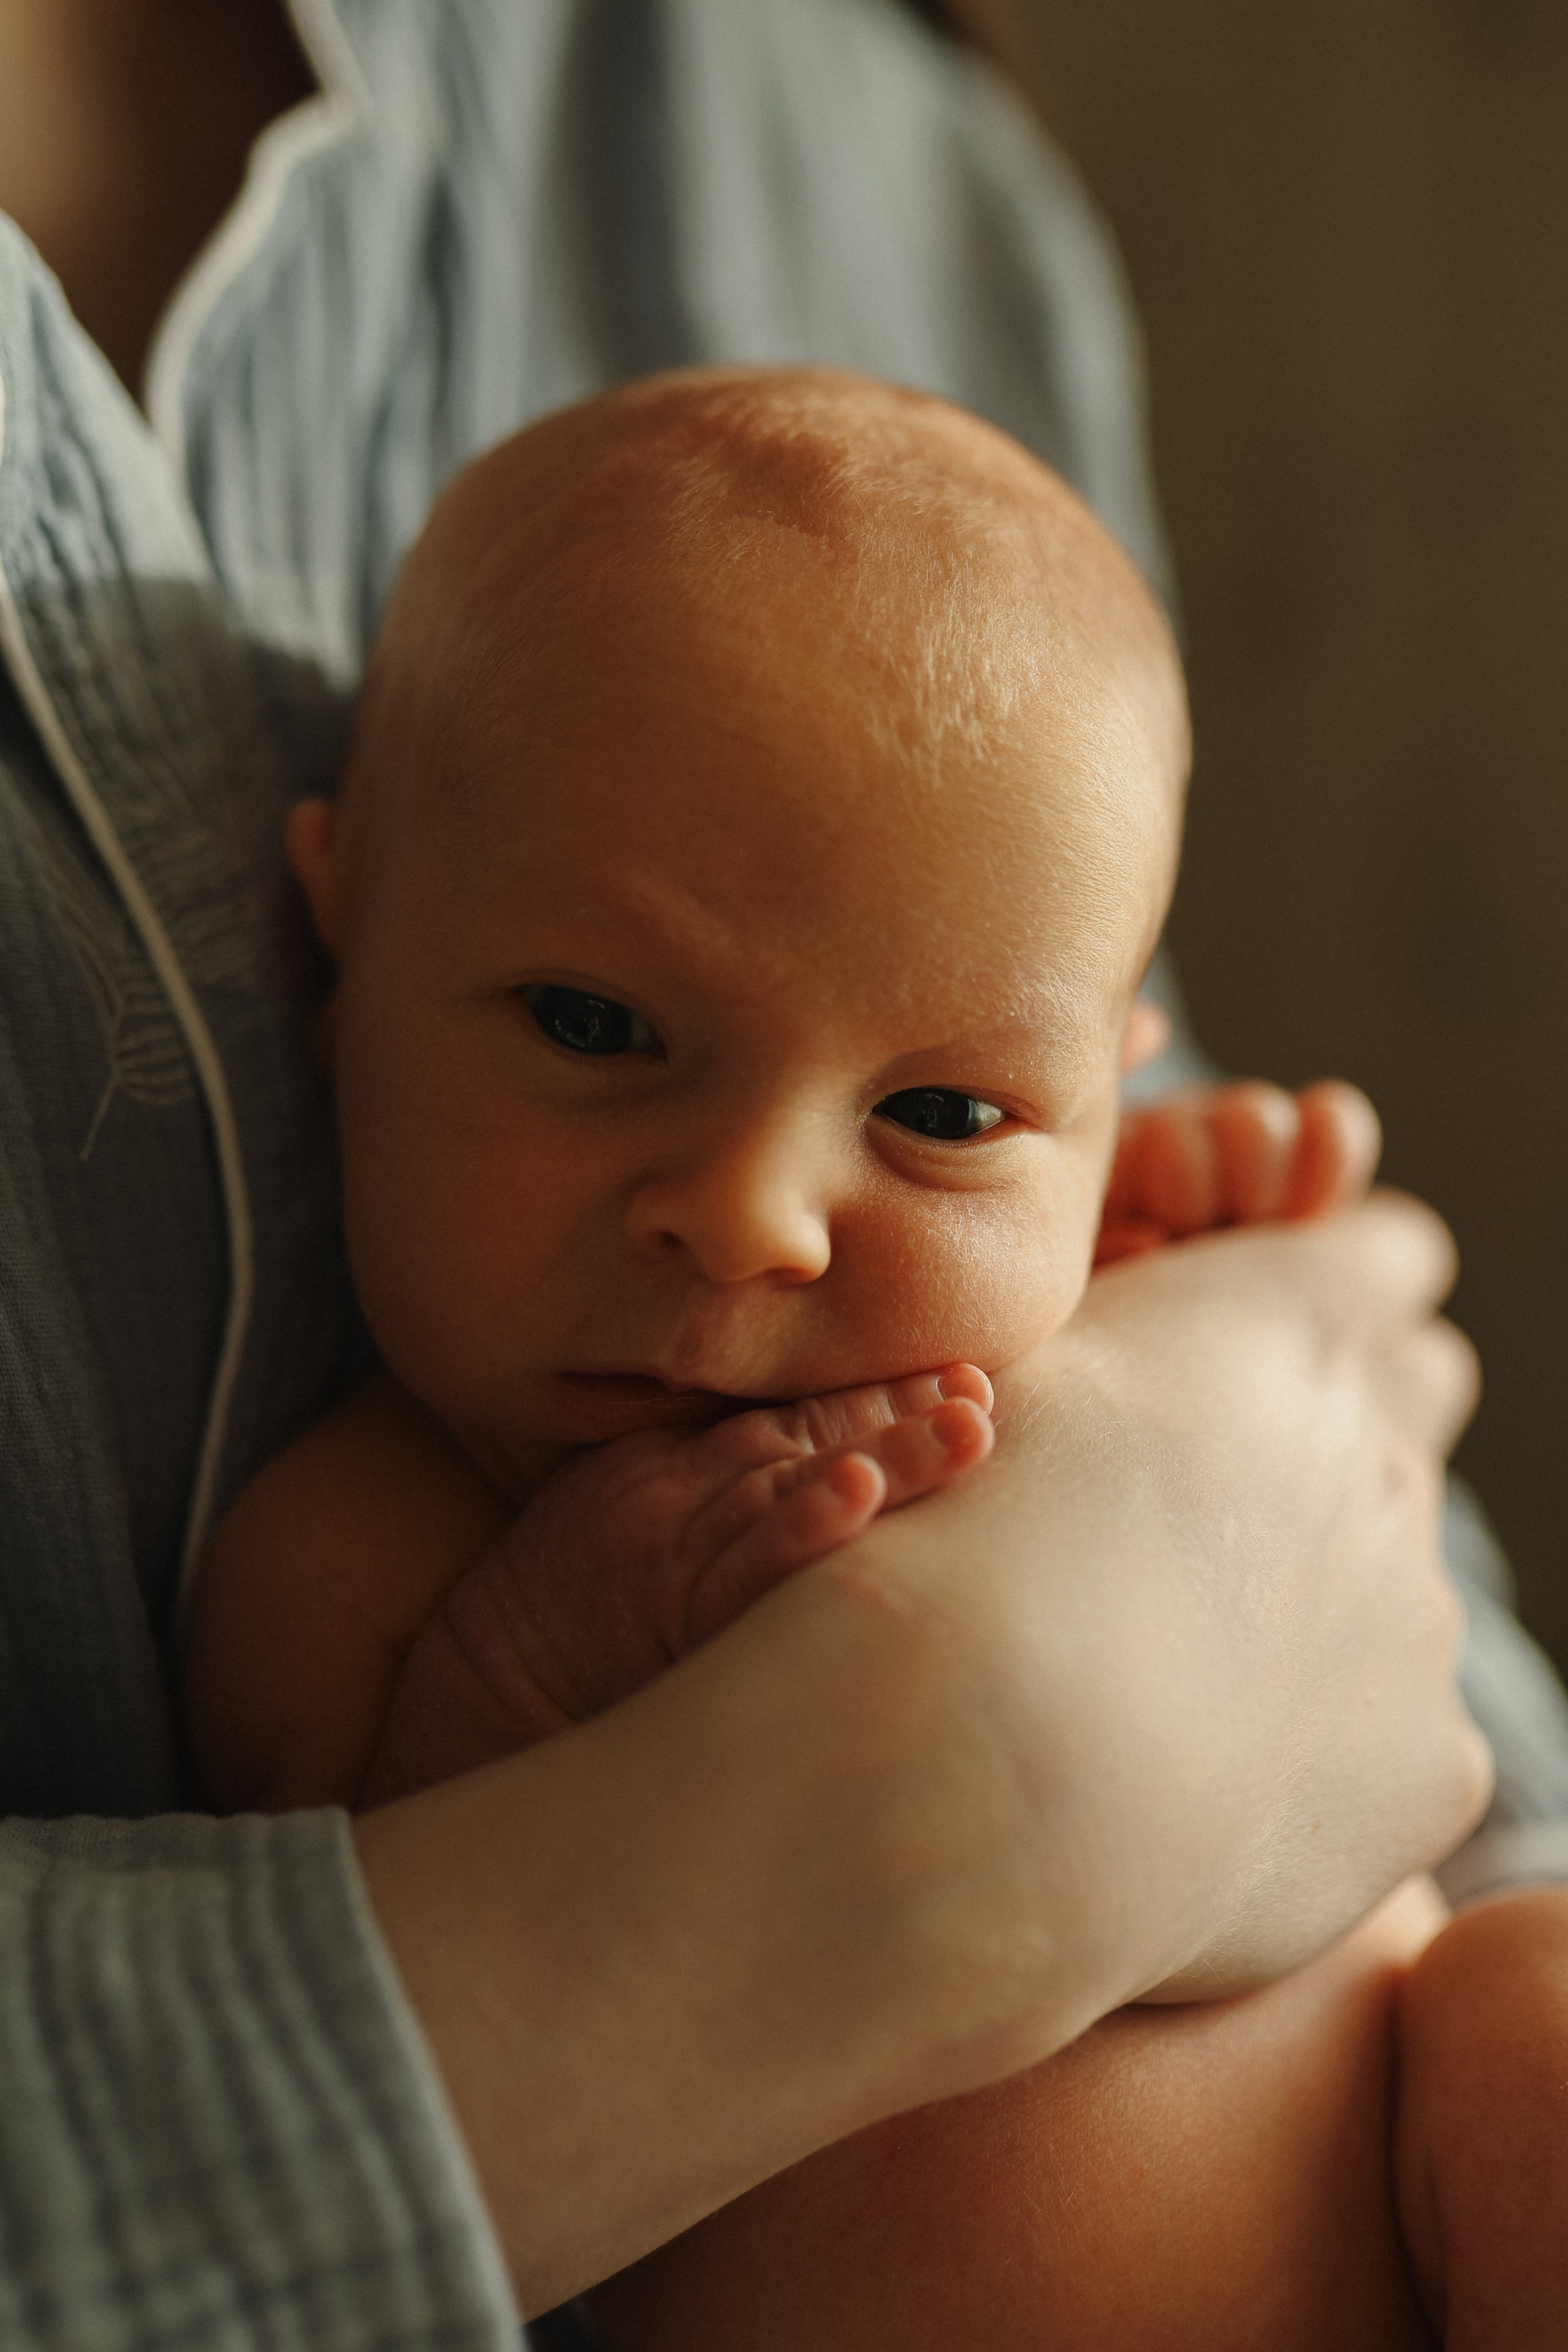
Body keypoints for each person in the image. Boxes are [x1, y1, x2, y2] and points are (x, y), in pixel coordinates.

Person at [0, 3, 1561, 2344]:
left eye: (942, 1117)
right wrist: (533, 1663)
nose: (752, 1215)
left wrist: (1183, 1229)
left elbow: (1404, 1619)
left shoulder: (837, 126)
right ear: (336, 946)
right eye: (600, 1031)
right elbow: (350, 1845)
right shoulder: (370, 1538)